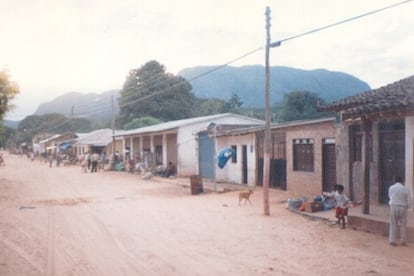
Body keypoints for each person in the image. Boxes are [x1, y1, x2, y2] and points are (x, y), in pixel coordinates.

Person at [388, 176, 413, 246]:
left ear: (394, 181)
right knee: (403, 224)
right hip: (403, 207)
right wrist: (408, 206)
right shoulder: (406, 189)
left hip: (393, 206)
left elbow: (390, 196)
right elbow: (410, 200)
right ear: (402, 181)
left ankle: (392, 240)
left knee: (393, 223)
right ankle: (403, 240)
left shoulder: (391, 188)